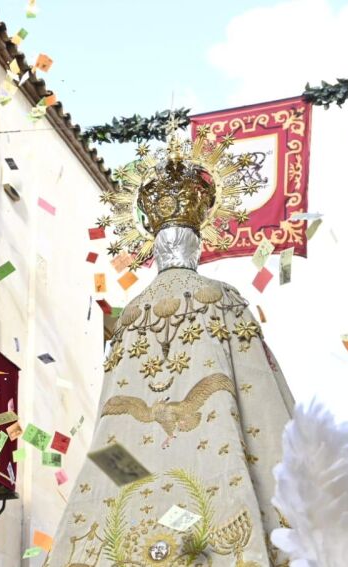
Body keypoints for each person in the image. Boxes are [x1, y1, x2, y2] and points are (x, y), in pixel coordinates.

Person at [43, 130, 295, 566]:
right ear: (198, 244)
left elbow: (113, 419)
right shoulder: (223, 298)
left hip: (128, 478)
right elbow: (262, 400)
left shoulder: (130, 315)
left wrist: (136, 491)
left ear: (154, 248)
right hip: (218, 466)